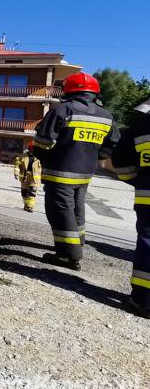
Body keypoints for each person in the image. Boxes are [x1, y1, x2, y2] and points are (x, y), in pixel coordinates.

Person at [33, 72, 119, 271]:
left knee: (60, 212)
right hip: (85, 174)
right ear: (94, 92)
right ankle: (76, 244)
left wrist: (44, 157)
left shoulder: (64, 110)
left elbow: (43, 142)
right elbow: (112, 146)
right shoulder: (106, 116)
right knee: (77, 211)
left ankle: (68, 256)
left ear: (68, 91)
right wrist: (94, 158)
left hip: (60, 172)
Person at [111, 97, 150, 318]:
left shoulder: (140, 127)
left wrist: (140, 181)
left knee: (148, 242)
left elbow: (123, 165)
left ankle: (144, 300)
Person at [13, 143, 42, 212]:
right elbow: (17, 165)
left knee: (32, 192)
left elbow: (44, 168)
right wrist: (16, 173)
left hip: (34, 178)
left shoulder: (40, 157)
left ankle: (30, 206)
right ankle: (26, 205)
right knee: (24, 192)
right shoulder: (22, 156)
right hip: (24, 177)